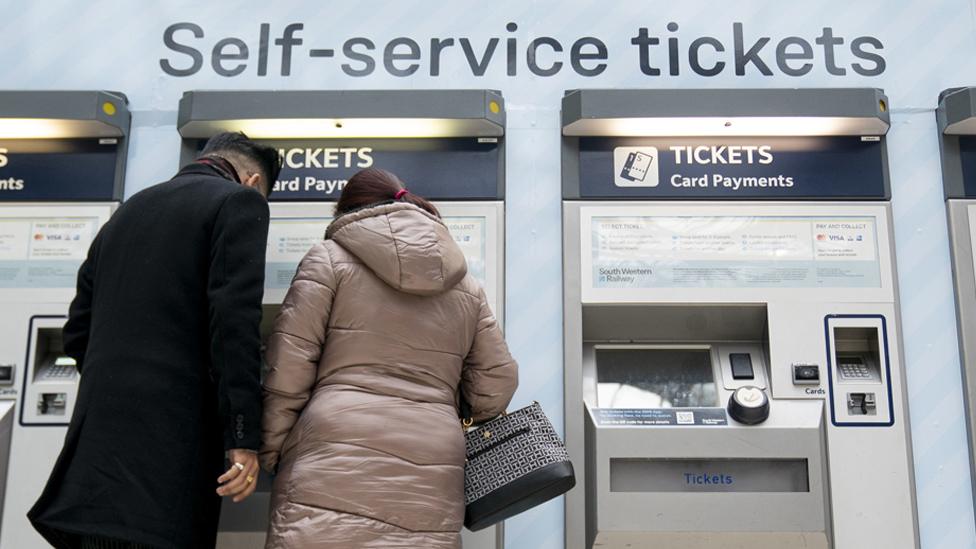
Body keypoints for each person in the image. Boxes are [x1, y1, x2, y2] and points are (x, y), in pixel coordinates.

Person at [28, 132, 282, 549]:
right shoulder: (238, 201)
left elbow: (77, 331)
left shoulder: (129, 210)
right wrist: (242, 437)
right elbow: (233, 325)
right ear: (253, 181)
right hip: (167, 461)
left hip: (93, 459)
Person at [260, 168, 518, 548]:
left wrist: (274, 452)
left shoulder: (327, 260)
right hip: (433, 453)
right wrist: (444, 406)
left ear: (347, 211)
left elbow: (289, 365)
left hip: (333, 447)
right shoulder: (467, 287)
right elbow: (498, 382)